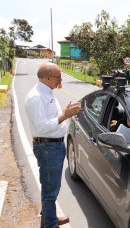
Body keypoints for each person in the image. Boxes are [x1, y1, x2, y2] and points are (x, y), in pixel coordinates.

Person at [24, 63, 81, 228]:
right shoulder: (36, 96)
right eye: (58, 77)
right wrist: (64, 116)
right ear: (48, 78)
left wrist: (64, 112)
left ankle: (48, 217)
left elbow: (52, 117)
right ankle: (49, 224)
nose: (61, 80)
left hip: (53, 146)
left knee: (50, 186)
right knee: (50, 189)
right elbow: (42, 127)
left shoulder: (46, 92)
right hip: (47, 148)